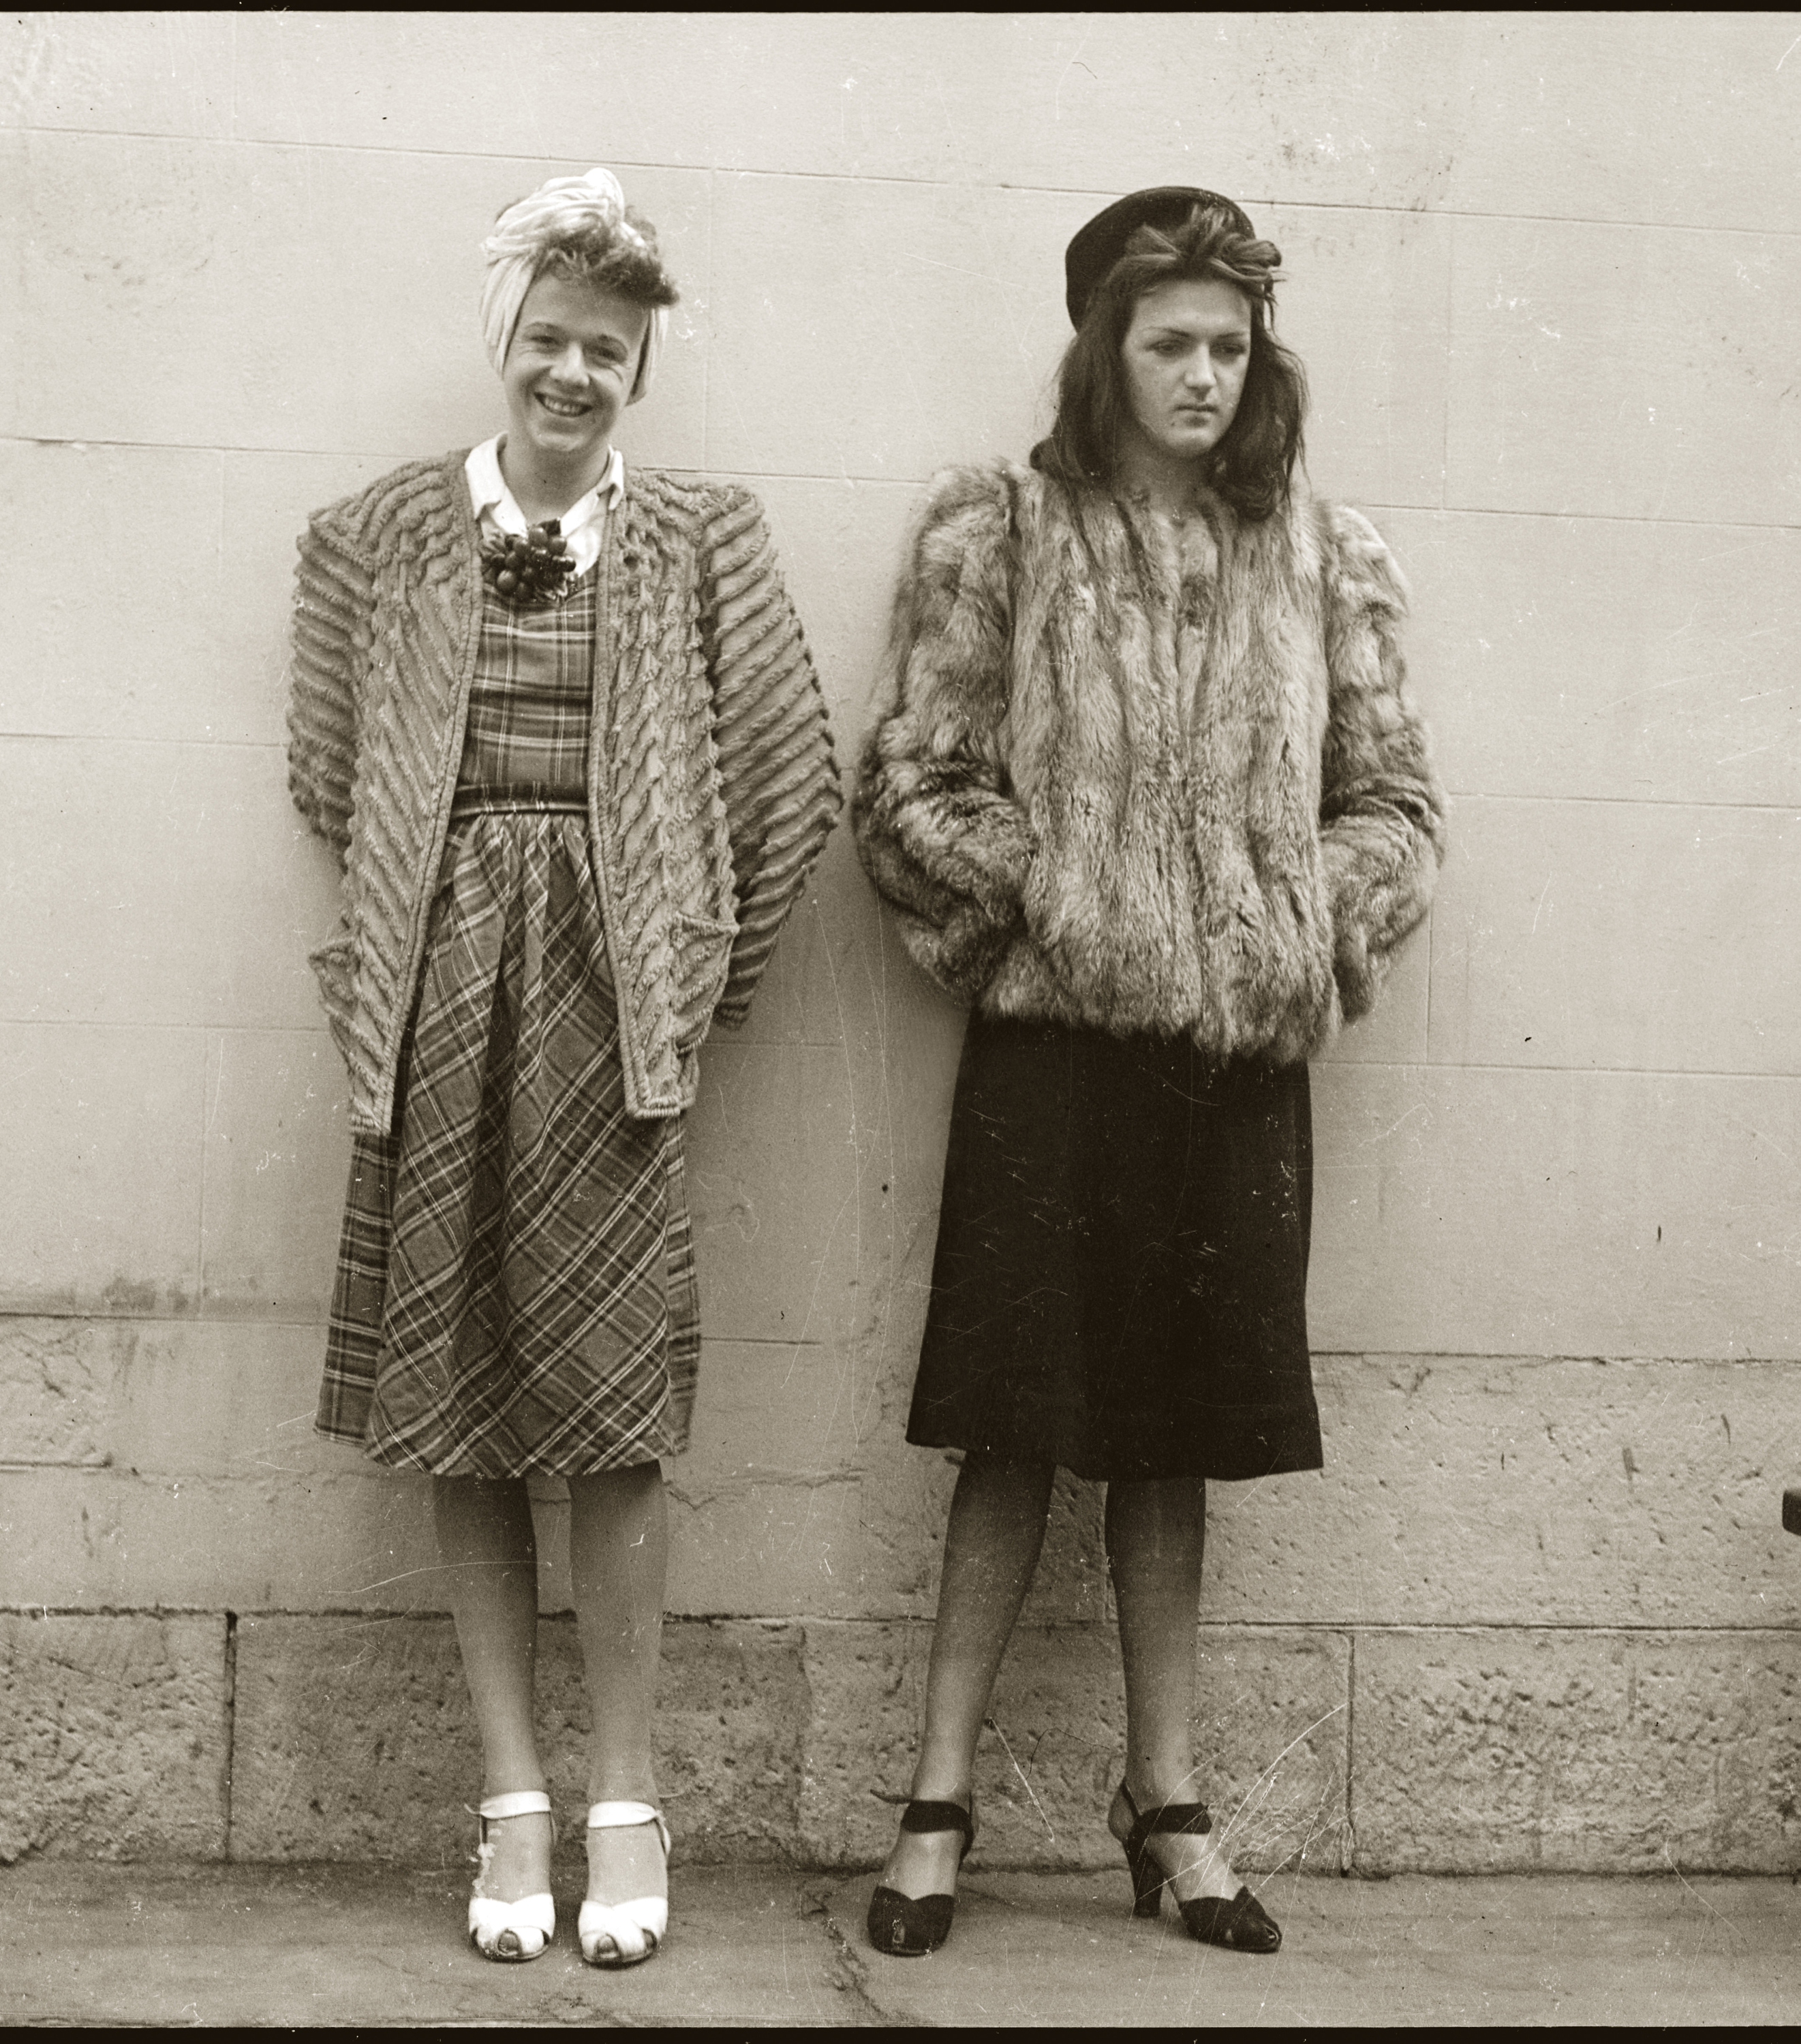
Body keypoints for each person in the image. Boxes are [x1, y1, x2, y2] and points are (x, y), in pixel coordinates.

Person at [852, 186, 1445, 1958]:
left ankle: (1165, 1801)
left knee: (1176, 1445)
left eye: (1226, 344)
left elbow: (1398, 812)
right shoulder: (1003, 533)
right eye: (1165, 341)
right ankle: (936, 1801)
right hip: (1051, 1059)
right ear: (1101, 351)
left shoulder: (1322, 557)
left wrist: (1284, 925)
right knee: (1012, 1427)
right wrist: (1062, 908)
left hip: (1232, 1070)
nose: (1201, 375)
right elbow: (907, 787)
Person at [285, 168, 840, 1968]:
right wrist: (442, 917)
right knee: (454, 1397)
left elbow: (788, 791)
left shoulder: (701, 542)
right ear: (500, 343)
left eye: (608, 350)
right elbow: (327, 772)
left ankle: (626, 1796)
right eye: (547, 341)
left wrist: (684, 985)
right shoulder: (369, 539)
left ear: (641, 371)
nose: (573, 375)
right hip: (442, 995)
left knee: (607, 1418)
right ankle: (510, 1798)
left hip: (617, 1017)